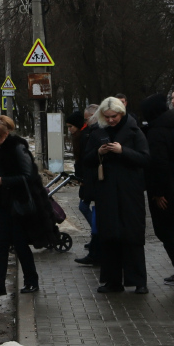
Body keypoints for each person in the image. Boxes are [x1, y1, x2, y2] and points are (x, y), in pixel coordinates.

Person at [0, 118, 56, 298]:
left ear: (5, 134)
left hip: (18, 204)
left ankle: (31, 281)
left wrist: (5, 180)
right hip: (1, 204)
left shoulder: (17, 147)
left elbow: (28, 175)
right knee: (1, 244)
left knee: (21, 244)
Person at [85, 96, 150, 293]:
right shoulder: (98, 132)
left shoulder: (134, 130)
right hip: (107, 192)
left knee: (132, 235)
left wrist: (123, 151)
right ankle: (113, 281)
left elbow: (145, 158)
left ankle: (138, 281)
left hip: (130, 192)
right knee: (109, 235)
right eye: (107, 117)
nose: (111, 120)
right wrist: (99, 152)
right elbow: (86, 160)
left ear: (121, 113)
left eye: (114, 116)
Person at [139, 93, 174, 287]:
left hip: (167, 189)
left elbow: (158, 164)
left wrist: (157, 192)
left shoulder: (157, 131)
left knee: (166, 231)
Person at [71, 104, 101, 266]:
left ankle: (96, 247)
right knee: (90, 209)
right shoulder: (88, 134)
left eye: (86, 118)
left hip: (93, 181)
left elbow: (86, 158)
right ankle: (95, 245)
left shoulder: (92, 134)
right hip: (90, 180)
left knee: (91, 210)